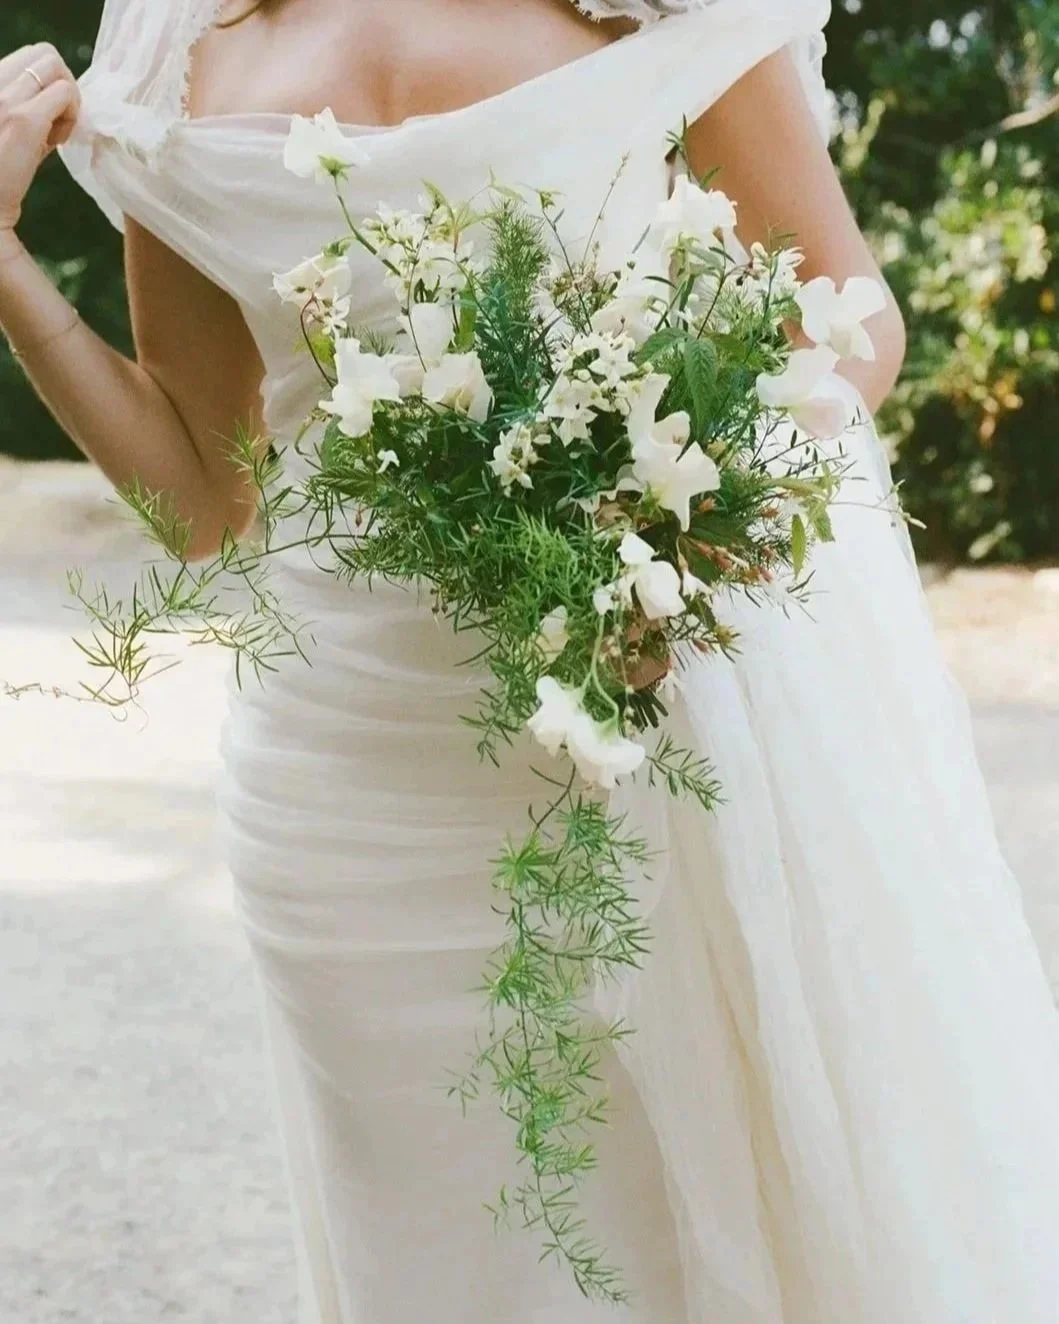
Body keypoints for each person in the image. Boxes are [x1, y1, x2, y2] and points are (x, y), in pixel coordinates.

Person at [3, 1, 1058, 1319]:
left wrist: (689, 475)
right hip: (350, 789)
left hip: (650, 722)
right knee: (439, 1252)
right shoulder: (171, 41)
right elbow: (207, 498)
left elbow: (841, 328)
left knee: (700, 1229)